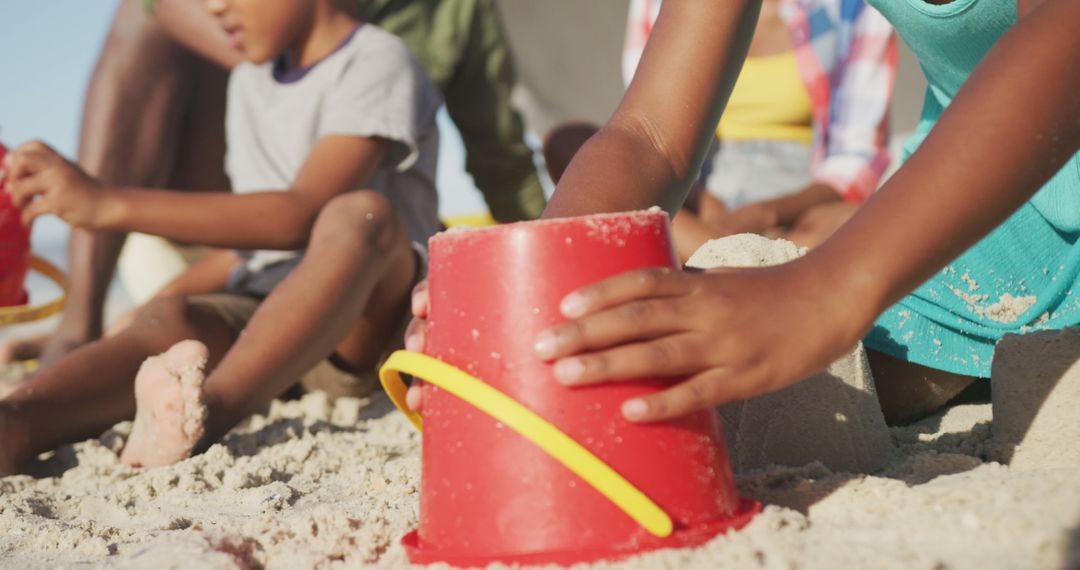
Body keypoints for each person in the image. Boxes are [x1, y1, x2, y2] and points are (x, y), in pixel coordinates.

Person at [407, 0, 1080, 426]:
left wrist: (824, 290)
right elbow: (650, 134)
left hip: (1011, 160)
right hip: (987, 200)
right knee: (762, 405)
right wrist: (533, 294)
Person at [0, 0, 442, 473]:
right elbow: (246, 252)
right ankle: (19, 423)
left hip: (363, 322)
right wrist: (132, 319)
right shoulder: (251, 81)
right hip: (264, 317)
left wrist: (105, 203)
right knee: (170, 318)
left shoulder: (377, 60)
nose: (212, 7)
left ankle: (209, 412)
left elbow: (299, 214)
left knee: (362, 214)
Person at [0, 0, 544, 368]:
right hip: (224, 238)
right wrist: (266, 51)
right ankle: (82, 325)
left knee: (349, 223)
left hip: (350, 252)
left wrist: (540, 283)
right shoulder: (252, 55)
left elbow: (502, 158)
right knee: (158, 328)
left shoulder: (426, 30)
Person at [545, 0, 895, 260]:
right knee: (571, 144)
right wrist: (706, 203)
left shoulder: (857, 9)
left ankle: (703, 257)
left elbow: (856, 160)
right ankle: (748, 267)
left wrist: (767, 213)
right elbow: (646, 131)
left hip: (795, 207)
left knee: (872, 216)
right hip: (694, 196)